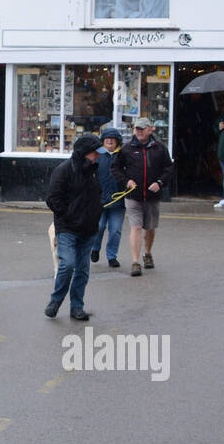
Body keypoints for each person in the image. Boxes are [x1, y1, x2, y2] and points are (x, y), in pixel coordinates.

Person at [44, 134, 103, 320]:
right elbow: (53, 199)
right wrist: (69, 215)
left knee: (83, 270)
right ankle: (55, 301)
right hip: (68, 228)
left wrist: (97, 212)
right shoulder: (63, 171)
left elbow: (97, 196)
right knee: (67, 264)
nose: (99, 156)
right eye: (95, 153)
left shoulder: (94, 171)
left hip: (89, 229)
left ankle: (77, 307)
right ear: (85, 153)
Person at [112, 117, 174, 278]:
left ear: (149, 129)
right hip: (133, 196)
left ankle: (147, 253)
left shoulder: (160, 148)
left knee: (150, 228)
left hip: (153, 196)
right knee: (136, 227)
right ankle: (135, 262)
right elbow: (116, 168)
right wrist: (127, 181)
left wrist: (160, 183)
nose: (138, 131)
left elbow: (168, 169)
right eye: (136, 129)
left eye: (142, 128)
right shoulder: (127, 148)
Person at [91, 127, 125, 268]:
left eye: (113, 139)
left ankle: (112, 256)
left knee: (115, 231)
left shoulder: (123, 155)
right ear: (102, 141)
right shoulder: (97, 155)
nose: (110, 142)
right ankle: (95, 248)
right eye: (107, 139)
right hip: (99, 200)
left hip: (118, 201)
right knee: (98, 227)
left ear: (117, 142)